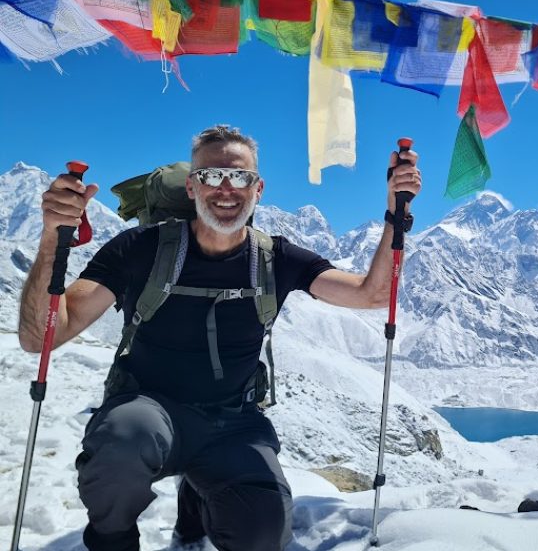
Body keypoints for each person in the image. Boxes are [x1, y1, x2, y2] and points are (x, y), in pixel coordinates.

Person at [17, 125, 422, 551]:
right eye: (211, 176)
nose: (226, 188)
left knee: (262, 532)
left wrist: (396, 213)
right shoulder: (140, 249)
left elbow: (371, 293)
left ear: (258, 188)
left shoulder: (276, 258)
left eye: (240, 177)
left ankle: (198, 503)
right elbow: (42, 335)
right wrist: (51, 238)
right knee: (121, 444)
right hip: (147, 409)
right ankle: (112, 540)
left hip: (234, 423)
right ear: (192, 187)